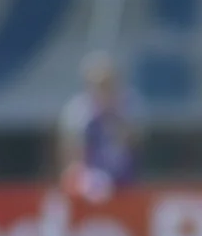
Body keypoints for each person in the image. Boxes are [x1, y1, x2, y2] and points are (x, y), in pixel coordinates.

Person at [57, 54, 142, 201]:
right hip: (90, 176)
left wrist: (114, 120)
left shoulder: (128, 106)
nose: (104, 89)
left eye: (109, 83)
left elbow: (135, 144)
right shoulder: (78, 112)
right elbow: (72, 155)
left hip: (123, 175)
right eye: (100, 84)